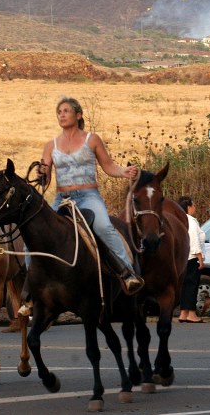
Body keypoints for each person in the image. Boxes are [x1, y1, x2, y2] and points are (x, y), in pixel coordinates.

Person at [39, 96, 143, 295]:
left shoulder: (91, 139)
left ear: (78, 115)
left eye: (66, 111)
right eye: (59, 112)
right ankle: (31, 284)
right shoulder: (50, 145)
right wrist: (41, 174)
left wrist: (124, 172)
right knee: (39, 232)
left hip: (88, 196)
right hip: (62, 199)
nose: (61, 114)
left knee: (104, 227)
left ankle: (128, 273)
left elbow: (109, 166)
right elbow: (45, 178)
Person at [178, 196, 205, 323]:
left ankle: (183, 313)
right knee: (192, 285)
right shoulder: (191, 221)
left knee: (184, 286)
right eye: (193, 205)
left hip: (182, 258)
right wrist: (200, 258)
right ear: (188, 207)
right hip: (192, 257)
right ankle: (192, 314)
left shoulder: (178, 219)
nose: (195, 207)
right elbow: (193, 240)